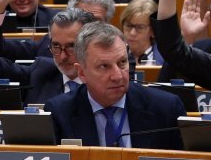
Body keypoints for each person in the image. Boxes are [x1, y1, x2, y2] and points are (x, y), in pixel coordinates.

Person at [43, 22, 186, 149]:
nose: (118, 76)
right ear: (82, 73)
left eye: (122, 63)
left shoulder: (166, 108)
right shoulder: (60, 112)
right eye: (104, 66)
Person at [121, 0, 164, 65]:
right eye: (129, 26)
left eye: (139, 27)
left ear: (153, 31)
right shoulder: (113, 55)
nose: (132, 33)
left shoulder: (165, 59)